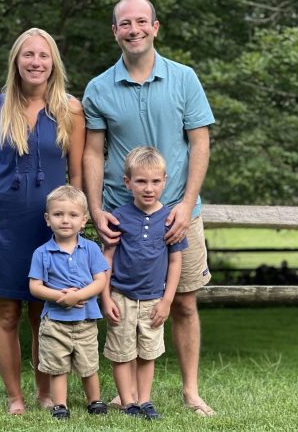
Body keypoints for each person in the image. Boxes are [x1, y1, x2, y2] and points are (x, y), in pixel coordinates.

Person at [82, 0, 216, 416]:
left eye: (142, 21)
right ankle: (129, 391)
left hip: (178, 212)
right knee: (120, 303)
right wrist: (95, 208)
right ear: (115, 32)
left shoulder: (184, 78)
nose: (134, 29)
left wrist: (186, 202)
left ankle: (191, 391)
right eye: (125, 23)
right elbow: (91, 153)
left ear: (156, 27)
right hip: (121, 218)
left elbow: (200, 142)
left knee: (185, 302)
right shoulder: (99, 88)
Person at [0, 28, 85, 415]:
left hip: (50, 225)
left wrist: (75, 225)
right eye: (28, 55)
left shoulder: (71, 110)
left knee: (41, 313)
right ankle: (15, 398)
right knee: (8, 312)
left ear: (53, 63)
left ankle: (46, 394)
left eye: (43, 56)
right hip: (3, 224)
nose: (35, 62)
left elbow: (76, 175)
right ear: (16, 60)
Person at [102, 147, 187, 420]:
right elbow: (108, 258)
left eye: (154, 181)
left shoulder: (171, 219)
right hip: (121, 296)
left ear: (165, 181)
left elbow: (175, 262)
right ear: (127, 183)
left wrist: (167, 301)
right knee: (122, 351)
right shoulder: (119, 217)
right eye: (140, 181)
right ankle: (128, 403)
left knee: (147, 352)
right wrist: (105, 297)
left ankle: (145, 400)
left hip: (153, 299)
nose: (148, 188)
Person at [29, 185, 109, 420]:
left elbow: (101, 280)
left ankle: (94, 400)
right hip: (54, 322)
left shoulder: (91, 249)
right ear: (47, 219)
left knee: (88, 363)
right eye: (58, 214)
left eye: (73, 215)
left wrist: (79, 296)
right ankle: (60, 405)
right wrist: (60, 298)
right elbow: (35, 287)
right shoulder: (42, 253)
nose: (65, 220)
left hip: (85, 320)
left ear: (84, 220)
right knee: (57, 366)